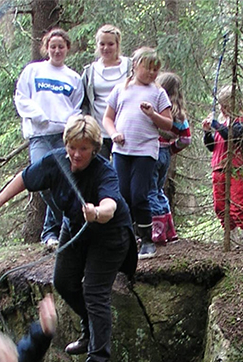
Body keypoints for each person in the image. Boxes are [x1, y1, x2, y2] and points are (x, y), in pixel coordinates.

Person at [0, 115, 136, 362]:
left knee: (94, 290)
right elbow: (25, 178)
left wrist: (96, 212)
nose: (76, 153)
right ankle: (89, 331)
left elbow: (111, 206)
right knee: (63, 282)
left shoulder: (104, 171)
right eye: (72, 146)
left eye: (83, 148)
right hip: (74, 229)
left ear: (94, 148)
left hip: (109, 236)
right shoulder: (56, 160)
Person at [14, 28, 84, 250]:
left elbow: (77, 107)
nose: (56, 50)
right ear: (46, 48)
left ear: (67, 49)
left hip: (64, 136)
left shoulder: (73, 77)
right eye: (53, 46)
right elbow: (21, 97)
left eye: (61, 47)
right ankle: (69, 219)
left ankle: (51, 233)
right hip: (40, 135)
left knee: (65, 182)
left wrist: (70, 125)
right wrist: (38, 116)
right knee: (42, 179)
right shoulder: (33, 71)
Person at [102, 47, 173, 260]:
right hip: (122, 150)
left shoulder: (158, 92)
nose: (151, 73)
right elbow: (108, 118)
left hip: (146, 151)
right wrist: (114, 134)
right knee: (122, 193)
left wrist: (152, 114)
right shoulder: (120, 89)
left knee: (139, 194)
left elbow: (168, 123)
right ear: (135, 66)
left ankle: (147, 240)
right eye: (147, 68)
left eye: (155, 70)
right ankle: (126, 237)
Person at [203, 85, 243, 241]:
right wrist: (207, 132)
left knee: (237, 203)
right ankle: (230, 234)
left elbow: (232, 137)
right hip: (218, 168)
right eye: (221, 106)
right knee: (219, 206)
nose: (223, 109)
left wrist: (216, 125)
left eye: (226, 106)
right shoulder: (222, 124)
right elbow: (212, 146)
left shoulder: (241, 122)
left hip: (235, 168)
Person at [148, 71, 191, 245]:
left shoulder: (158, 110)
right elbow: (186, 139)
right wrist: (171, 150)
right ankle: (169, 230)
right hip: (165, 154)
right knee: (158, 191)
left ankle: (157, 232)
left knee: (150, 191)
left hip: (152, 152)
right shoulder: (179, 114)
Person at [79, 24, 132, 160]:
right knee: (99, 174)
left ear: (117, 45)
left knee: (121, 176)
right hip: (98, 133)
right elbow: (83, 102)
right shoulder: (90, 71)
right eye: (102, 44)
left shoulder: (130, 67)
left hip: (125, 132)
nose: (106, 48)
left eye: (110, 44)